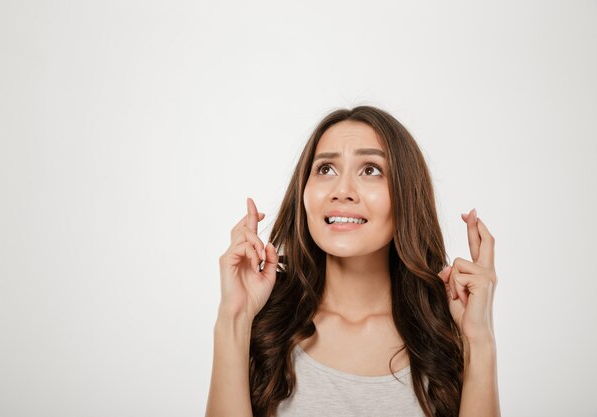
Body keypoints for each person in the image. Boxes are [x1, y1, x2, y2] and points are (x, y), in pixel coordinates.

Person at [205, 106, 500, 417]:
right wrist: (233, 317)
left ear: (406, 195)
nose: (342, 191)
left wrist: (480, 339)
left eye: (370, 169)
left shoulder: (445, 332)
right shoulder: (263, 327)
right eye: (325, 169)